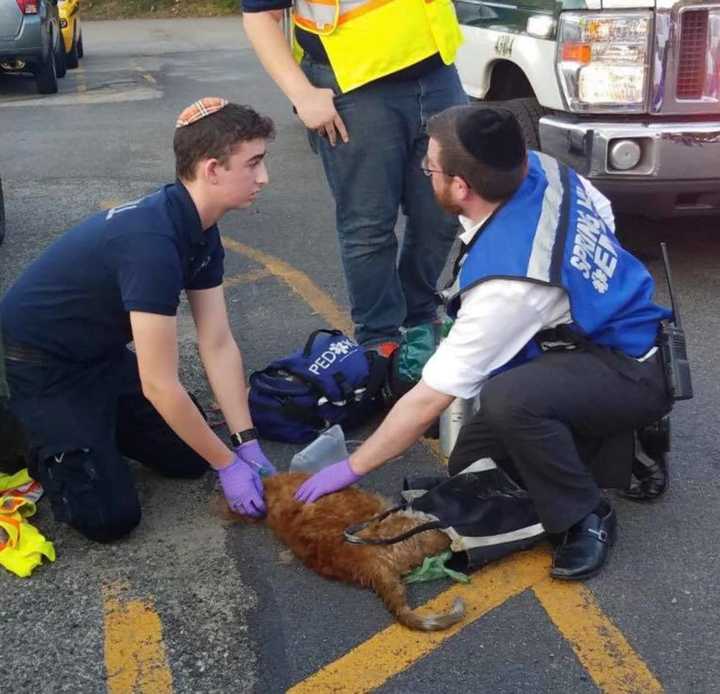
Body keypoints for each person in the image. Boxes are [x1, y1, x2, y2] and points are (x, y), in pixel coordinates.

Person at [293, 106, 674, 580]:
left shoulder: (507, 289)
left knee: (511, 399)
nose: (424, 171)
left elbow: (429, 399)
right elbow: (604, 216)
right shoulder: (536, 166)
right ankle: (608, 442)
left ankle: (584, 516)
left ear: (460, 187)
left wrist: (350, 469)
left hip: (631, 366)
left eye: (429, 166)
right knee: (471, 463)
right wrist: (570, 302)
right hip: (601, 339)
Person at [0, 99, 278, 543]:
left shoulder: (201, 228)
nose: (264, 178)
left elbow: (218, 341)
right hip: (44, 362)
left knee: (190, 460)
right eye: (254, 164)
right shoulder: (151, 244)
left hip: (100, 354)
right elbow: (159, 385)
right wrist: (227, 464)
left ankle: (95, 426)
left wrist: (245, 442)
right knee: (107, 518)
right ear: (211, 169)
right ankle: (21, 428)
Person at [242, 0, 468, 351]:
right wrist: (301, 93)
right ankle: (380, 341)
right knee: (369, 226)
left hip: (437, 70)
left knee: (443, 211)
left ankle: (419, 314)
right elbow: (260, 15)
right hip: (354, 85)